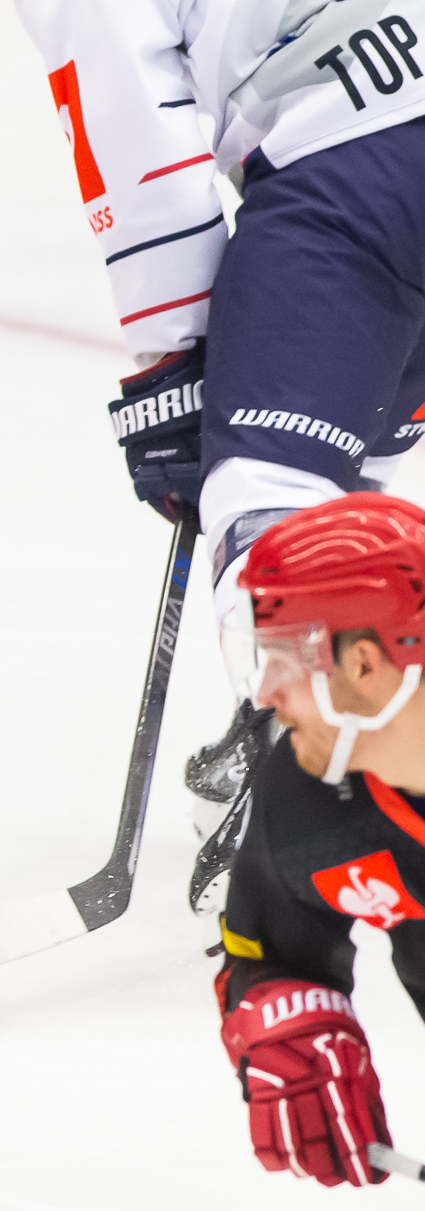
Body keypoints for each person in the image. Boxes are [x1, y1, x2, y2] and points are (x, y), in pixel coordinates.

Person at [0, 0, 425, 908]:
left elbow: (146, 163)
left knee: (262, 487)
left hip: (342, 178)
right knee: (362, 431)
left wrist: (177, 370)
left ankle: (319, 790)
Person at [212, 491, 425, 1189]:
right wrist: (293, 1021)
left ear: (364, 663)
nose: (265, 694)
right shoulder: (307, 804)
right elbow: (269, 949)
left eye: (284, 657)